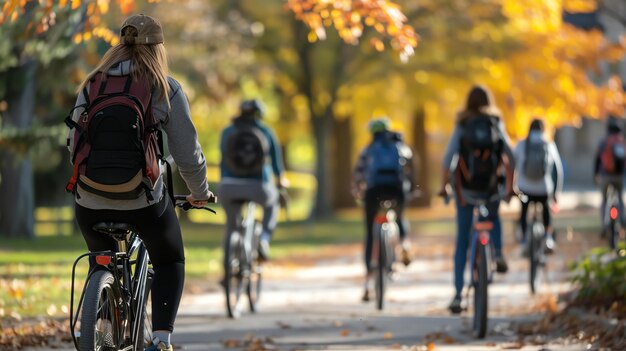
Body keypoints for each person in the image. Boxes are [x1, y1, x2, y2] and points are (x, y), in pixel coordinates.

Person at [66, 15, 212, 351]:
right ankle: (161, 341)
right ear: (159, 47)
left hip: (89, 199)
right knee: (169, 259)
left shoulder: (93, 83)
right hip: (142, 200)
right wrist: (200, 193)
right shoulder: (165, 87)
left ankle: (100, 329)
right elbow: (187, 154)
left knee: (99, 257)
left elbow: (73, 143)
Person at [438, 85, 515, 314]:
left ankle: (458, 295)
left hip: (466, 191)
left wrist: (444, 187)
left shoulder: (462, 124)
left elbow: (447, 159)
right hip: (491, 188)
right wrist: (511, 187)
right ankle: (498, 253)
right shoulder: (495, 122)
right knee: (493, 218)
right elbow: (510, 156)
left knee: (462, 239)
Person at [352, 117, 416, 302]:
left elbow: (359, 172)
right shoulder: (399, 146)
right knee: (399, 216)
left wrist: (357, 189)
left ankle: (368, 283)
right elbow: (410, 167)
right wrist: (410, 188)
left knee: (370, 234)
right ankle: (404, 244)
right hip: (397, 190)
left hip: (373, 192)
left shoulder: (368, 149)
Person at [218, 99, 287, 261]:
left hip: (228, 186)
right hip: (259, 186)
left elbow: (223, 158)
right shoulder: (266, 131)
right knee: (273, 203)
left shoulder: (227, 131)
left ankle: (228, 266)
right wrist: (280, 180)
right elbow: (276, 163)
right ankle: (263, 239)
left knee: (232, 226)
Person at [514, 118, 563, 254]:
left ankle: (524, 240)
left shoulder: (522, 144)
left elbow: (511, 163)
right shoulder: (548, 144)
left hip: (524, 188)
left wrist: (513, 186)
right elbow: (558, 170)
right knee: (546, 210)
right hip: (544, 189)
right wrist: (556, 193)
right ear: (543, 129)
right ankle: (548, 238)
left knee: (523, 212)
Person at [594, 117, 626, 236]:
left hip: (605, 175)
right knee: (621, 199)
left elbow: (597, 159)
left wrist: (596, 174)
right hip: (619, 176)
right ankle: (623, 220)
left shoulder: (604, 141)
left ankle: (604, 225)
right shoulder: (622, 141)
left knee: (604, 200)